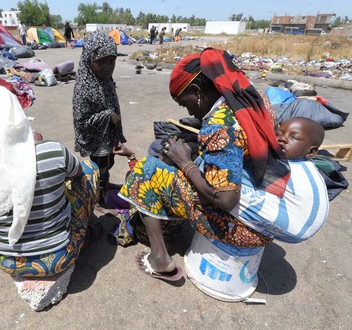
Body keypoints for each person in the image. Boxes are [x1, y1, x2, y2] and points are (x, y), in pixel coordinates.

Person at [118, 48, 291, 281]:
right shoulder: (252, 98)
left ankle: (160, 258)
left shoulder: (219, 125)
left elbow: (226, 200)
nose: (188, 111)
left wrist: (185, 162)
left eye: (184, 103)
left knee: (145, 170)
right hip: (266, 211)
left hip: (242, 229)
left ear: (197, 91)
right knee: (173, 166)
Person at [0, 84, 101, 281]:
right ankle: (83, 236)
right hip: (59, 257)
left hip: (6, 262)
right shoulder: (53, 151)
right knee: (89, 170)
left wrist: (5, 197)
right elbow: (77, 174)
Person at [229, 117, 329, 243]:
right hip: (301, 224)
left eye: (295, 138)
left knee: (223, 181)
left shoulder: (288, 168)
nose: (282, 138)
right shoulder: (305, 164)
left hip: (293, 228)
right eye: (279, 133)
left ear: (311, 152)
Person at [72, 31, 126, 201]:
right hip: (96, 138)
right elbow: (81, 122)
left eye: (112, 61)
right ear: (89, 59)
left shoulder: (105, 79)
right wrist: (108, 115)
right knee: (100, 168)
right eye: (101, 62)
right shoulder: (84, 87)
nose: (108, 67)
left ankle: (105, 185)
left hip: (108, 136)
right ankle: (98, 199)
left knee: (109, 163)